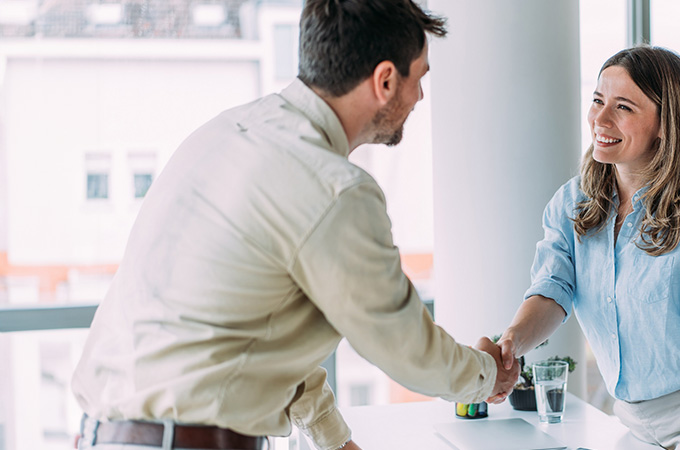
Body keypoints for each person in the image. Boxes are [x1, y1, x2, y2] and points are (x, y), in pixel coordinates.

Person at [70, 1, 519, 449]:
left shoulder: (228, 134)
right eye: (419, 77)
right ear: (385, 80)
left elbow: (260, 332)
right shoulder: (334, 189)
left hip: (103, 436)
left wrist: (334, 441)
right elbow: (406, 347)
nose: (420, 96)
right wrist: (486, 374)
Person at [496, 46, 680, 450]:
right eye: (598, 101)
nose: (600, 119)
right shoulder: (573, 203)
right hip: (635, 423)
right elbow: (552, 290)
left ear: (665, 124)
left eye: (623, 107)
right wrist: (511, 343)